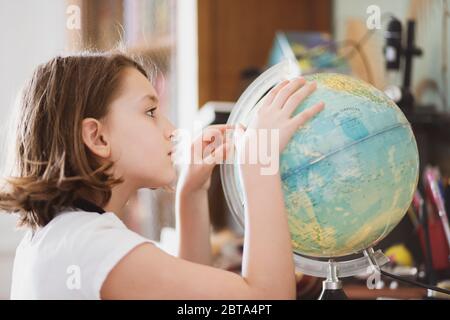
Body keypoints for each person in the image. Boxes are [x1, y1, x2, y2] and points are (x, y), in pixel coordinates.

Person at [0, 51, 324, 299]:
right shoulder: (90, 246)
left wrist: (191, 192)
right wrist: (260, 166)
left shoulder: (64, 236)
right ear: (97, 138)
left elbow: (187, 295)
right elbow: (266, 298)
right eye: (150, 112)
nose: (171, 130)